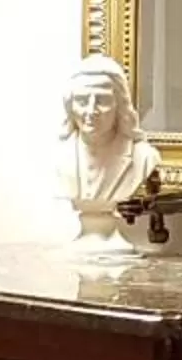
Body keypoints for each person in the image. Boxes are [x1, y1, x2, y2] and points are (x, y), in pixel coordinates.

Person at [56, 54, 158, 250]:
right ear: (70, 106)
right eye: (82, 100)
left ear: (119, 105)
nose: (91, 110)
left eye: (102, 100)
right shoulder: (59, 157)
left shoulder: (143, 157)